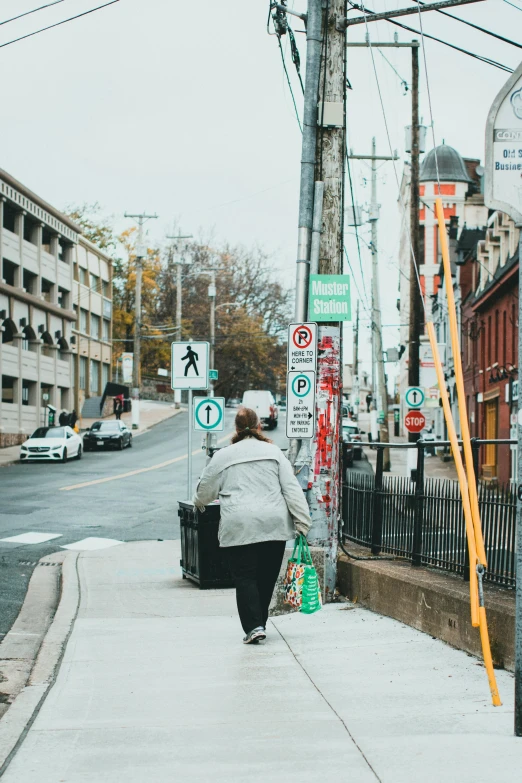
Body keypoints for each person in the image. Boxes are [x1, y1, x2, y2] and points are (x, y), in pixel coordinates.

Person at [193, 407, 311, 645]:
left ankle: (254, 626)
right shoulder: (274, 452)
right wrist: (303, 523)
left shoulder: (223, 456)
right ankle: (259, 623)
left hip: (239, 525)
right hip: (273, 524)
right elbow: (291, 490)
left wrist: (199, 503)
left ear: (235, 429)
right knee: (266, 577)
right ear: (259, 426)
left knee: (245, 577)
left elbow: (204, 492)